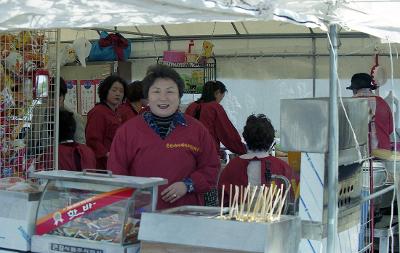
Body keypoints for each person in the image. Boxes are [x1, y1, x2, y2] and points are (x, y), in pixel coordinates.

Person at [108, 64, 220, 210]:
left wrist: (188, 185)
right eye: (156, 92)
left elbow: (211, 167)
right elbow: (116, 173)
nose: (163, 98)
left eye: (170, 92)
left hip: (185, 214)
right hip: (141, 216)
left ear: (179, 95)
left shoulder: (197, 130)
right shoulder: (127, 131)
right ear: (147, 96)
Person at [218, 114, 299, 206]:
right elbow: (294, 199)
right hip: (276, 218)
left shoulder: (231, 167)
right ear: (271, 139)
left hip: (237, 218)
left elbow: (222, 200)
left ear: (245, 137)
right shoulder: (283, 167)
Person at [185, 80, 246, 157]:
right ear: (217, 92)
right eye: (221, 97)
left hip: (189, 151)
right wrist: (242, 149)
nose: (220, 101)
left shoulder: (191, 107)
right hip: (207, 152)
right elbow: (226, 133)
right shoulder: (214, 108)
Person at [85, 75, 126, 169]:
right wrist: (108, 154)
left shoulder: (117, 113)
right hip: (102, 166)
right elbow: (93, 140)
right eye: (114, 90)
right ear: (105, 91)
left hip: (116, 163)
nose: (118, 94)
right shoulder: (98, 112)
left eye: (121, 91)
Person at [346, 73, 393, 150]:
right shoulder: (382, 103)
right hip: (382, 152)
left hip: (359, 153)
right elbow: (390, 129)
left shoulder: (349, 103)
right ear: (370, 88)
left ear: (354, 89)